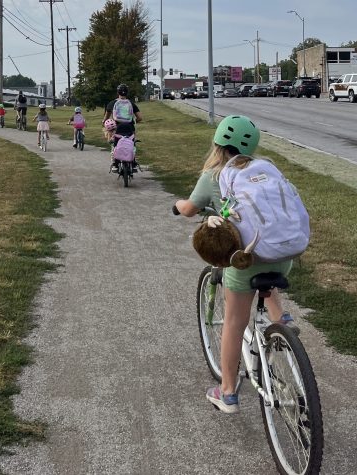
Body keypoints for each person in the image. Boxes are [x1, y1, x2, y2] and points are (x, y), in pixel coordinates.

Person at [173, 115, 299, 414]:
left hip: (243, 262)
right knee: (265, 271)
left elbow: (190, 209)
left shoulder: (214, 175)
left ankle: (227, 392)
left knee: (233, 321)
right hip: (283, 257)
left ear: (217, 143)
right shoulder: (263, 169)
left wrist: (177, 205)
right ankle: (282, 320)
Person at [103, 84, 142, 171]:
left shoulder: (112, 103)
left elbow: (106, 117)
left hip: (117, 127)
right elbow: (140, 117)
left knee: (114, 143)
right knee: (132, 143)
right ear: (127, 93)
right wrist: (135, 121)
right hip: (130, 127)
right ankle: (133, 162)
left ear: (118, 92)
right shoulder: (131, 103)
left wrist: (103, 122)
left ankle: (114, 163)